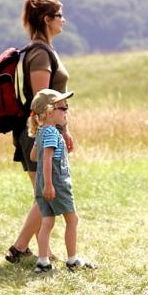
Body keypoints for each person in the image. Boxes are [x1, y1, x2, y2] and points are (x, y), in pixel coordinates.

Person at [5, 0, 74, 265]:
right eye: (59, 15)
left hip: (37, 131)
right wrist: (63, 129)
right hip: (38, 133)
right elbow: (43, 101)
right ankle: (19, 248)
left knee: (43, 193)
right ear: (47, 20)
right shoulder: (40, 54)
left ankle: (38, 249)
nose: (63, 20)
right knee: (45, 193)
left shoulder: (42, 51)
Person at [27, 89, 96, 273]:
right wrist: (50, 185)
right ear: (49, 112)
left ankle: (43, 262)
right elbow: (47, 159)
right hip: (56, 184)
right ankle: (73, 260)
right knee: (72, 220)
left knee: (47, 222)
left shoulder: (42, 132)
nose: (66, 111)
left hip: (42, 184)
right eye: (63, 108)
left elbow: (34, 156)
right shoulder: (51, 132)